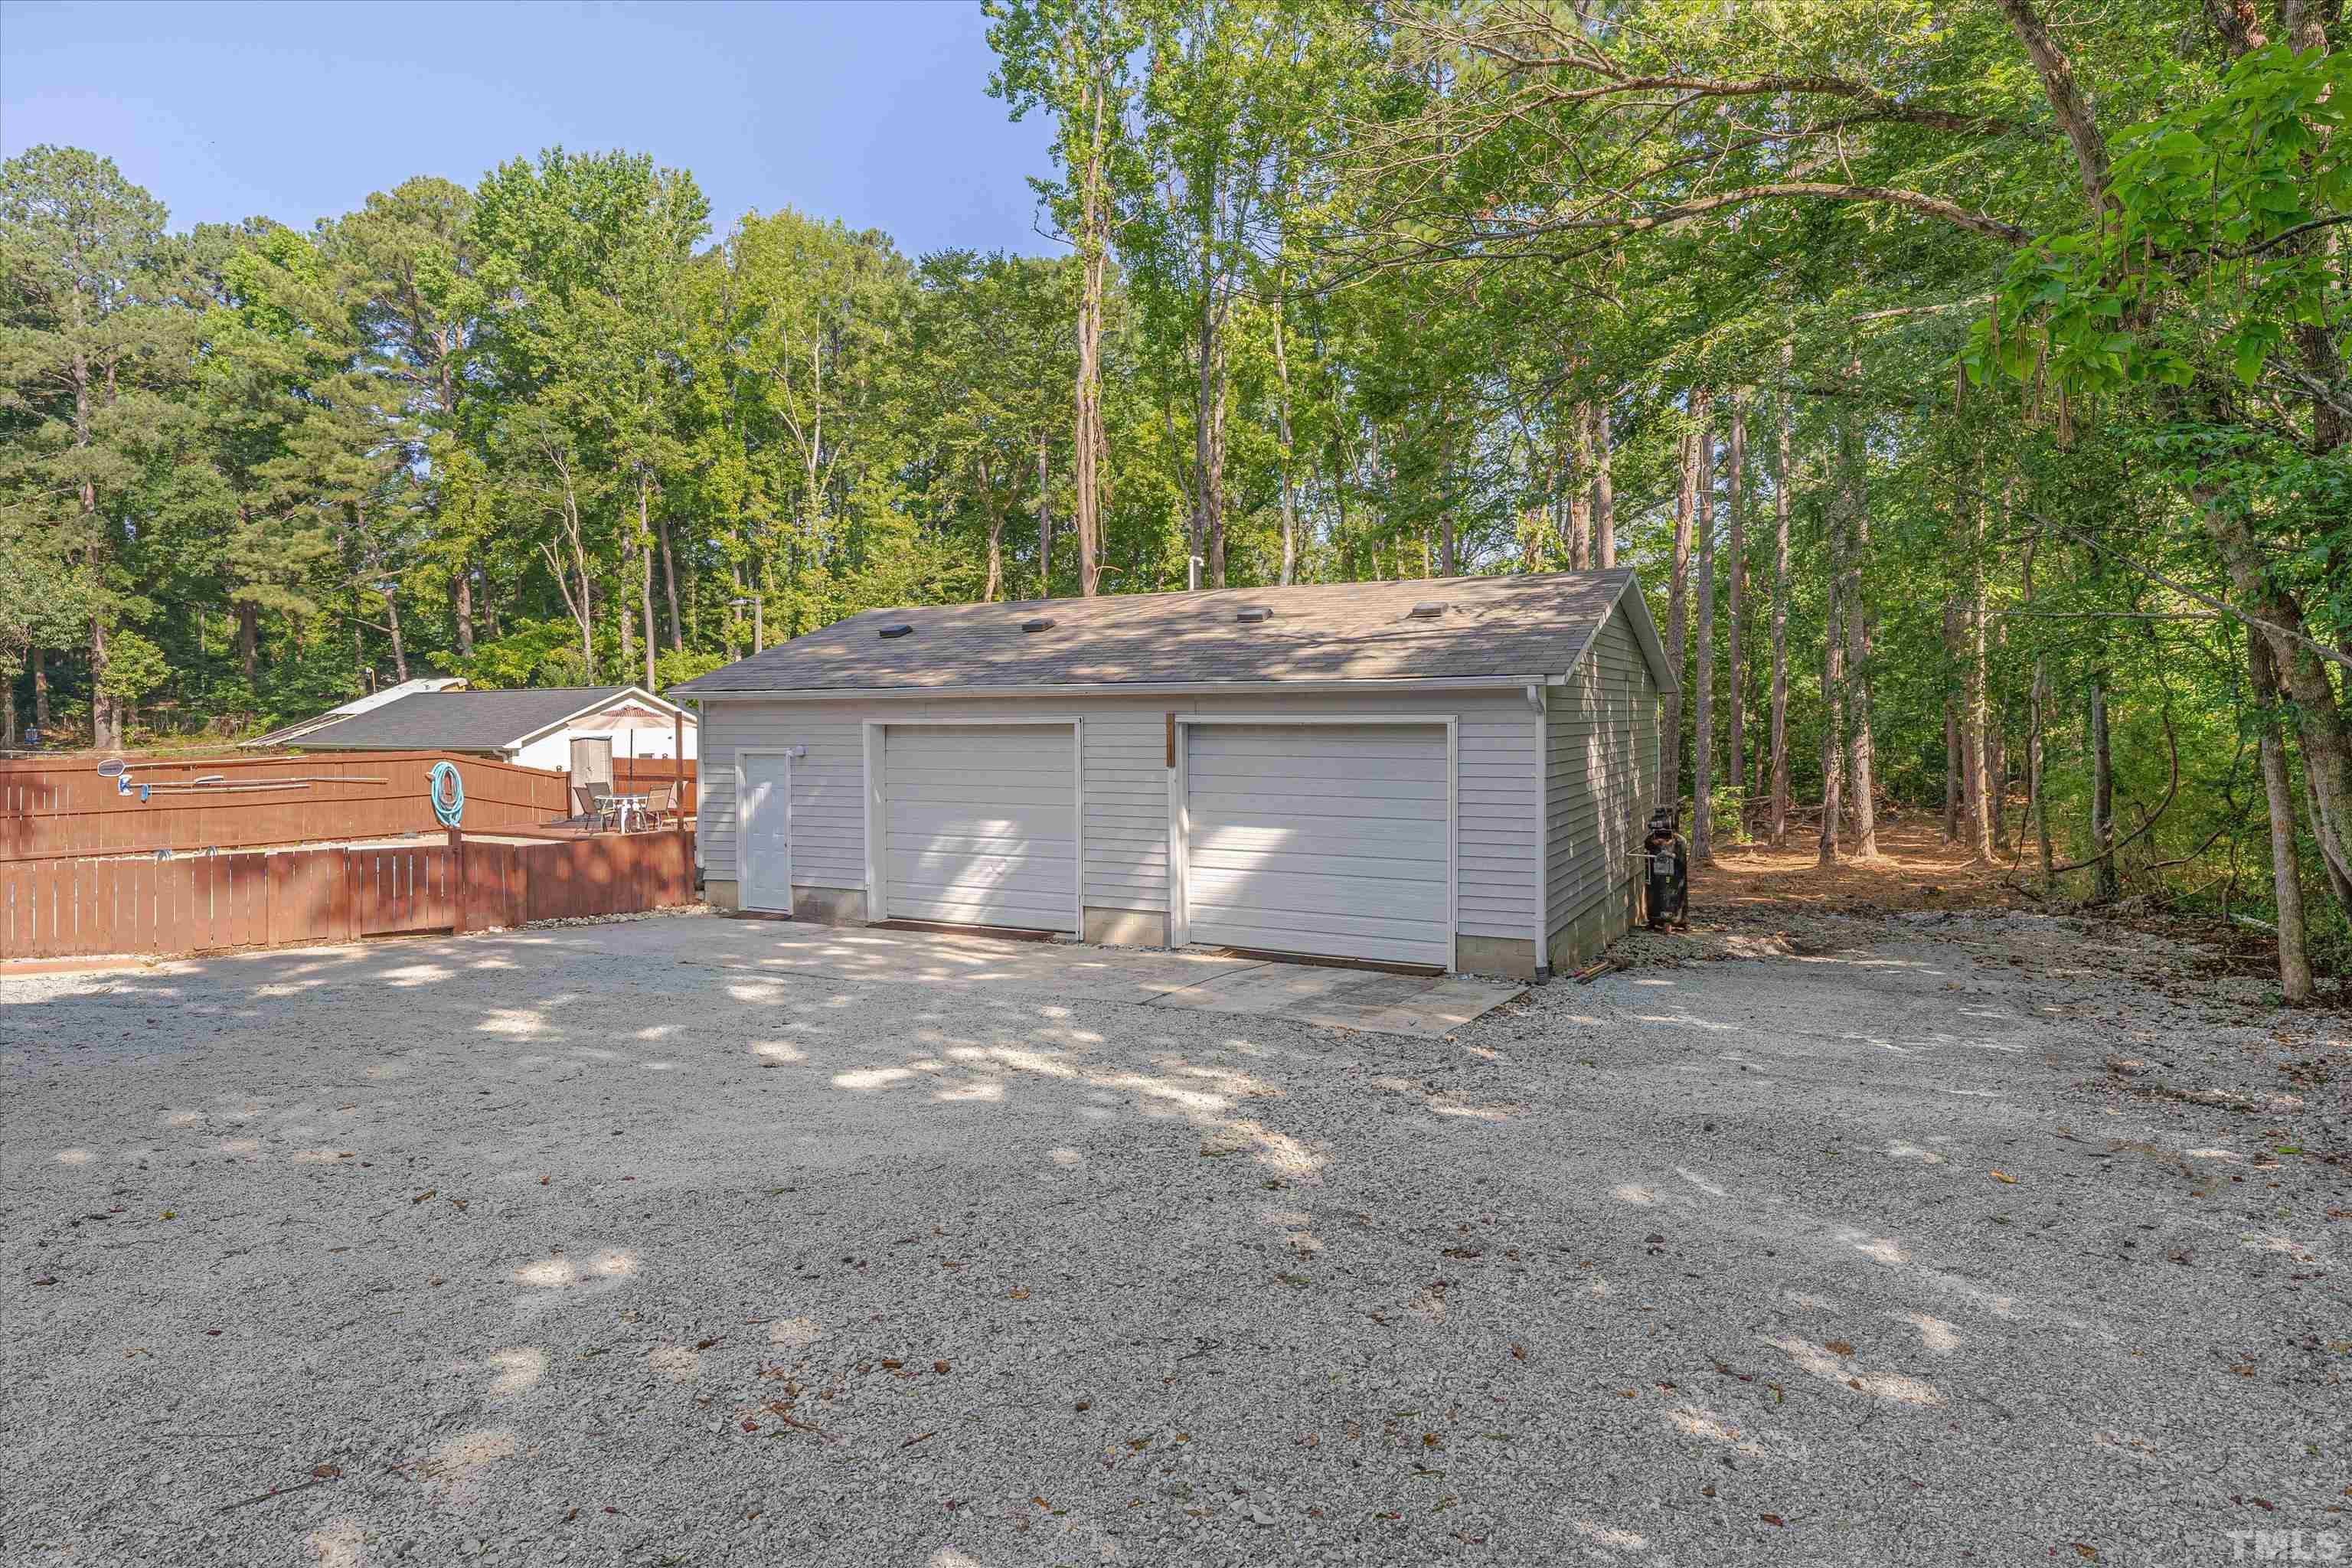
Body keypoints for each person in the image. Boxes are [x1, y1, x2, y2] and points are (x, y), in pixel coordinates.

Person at [1643, 806, 1688, 931]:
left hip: (1673, 876)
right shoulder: (1651, 840)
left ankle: (1675, 917)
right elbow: (1648, 844)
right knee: (1655, 889)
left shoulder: (1678, 841)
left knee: (1671, 888)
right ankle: (1654, 916)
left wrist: (1669, 851)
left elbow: (1679, 858)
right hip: (1656, 876)